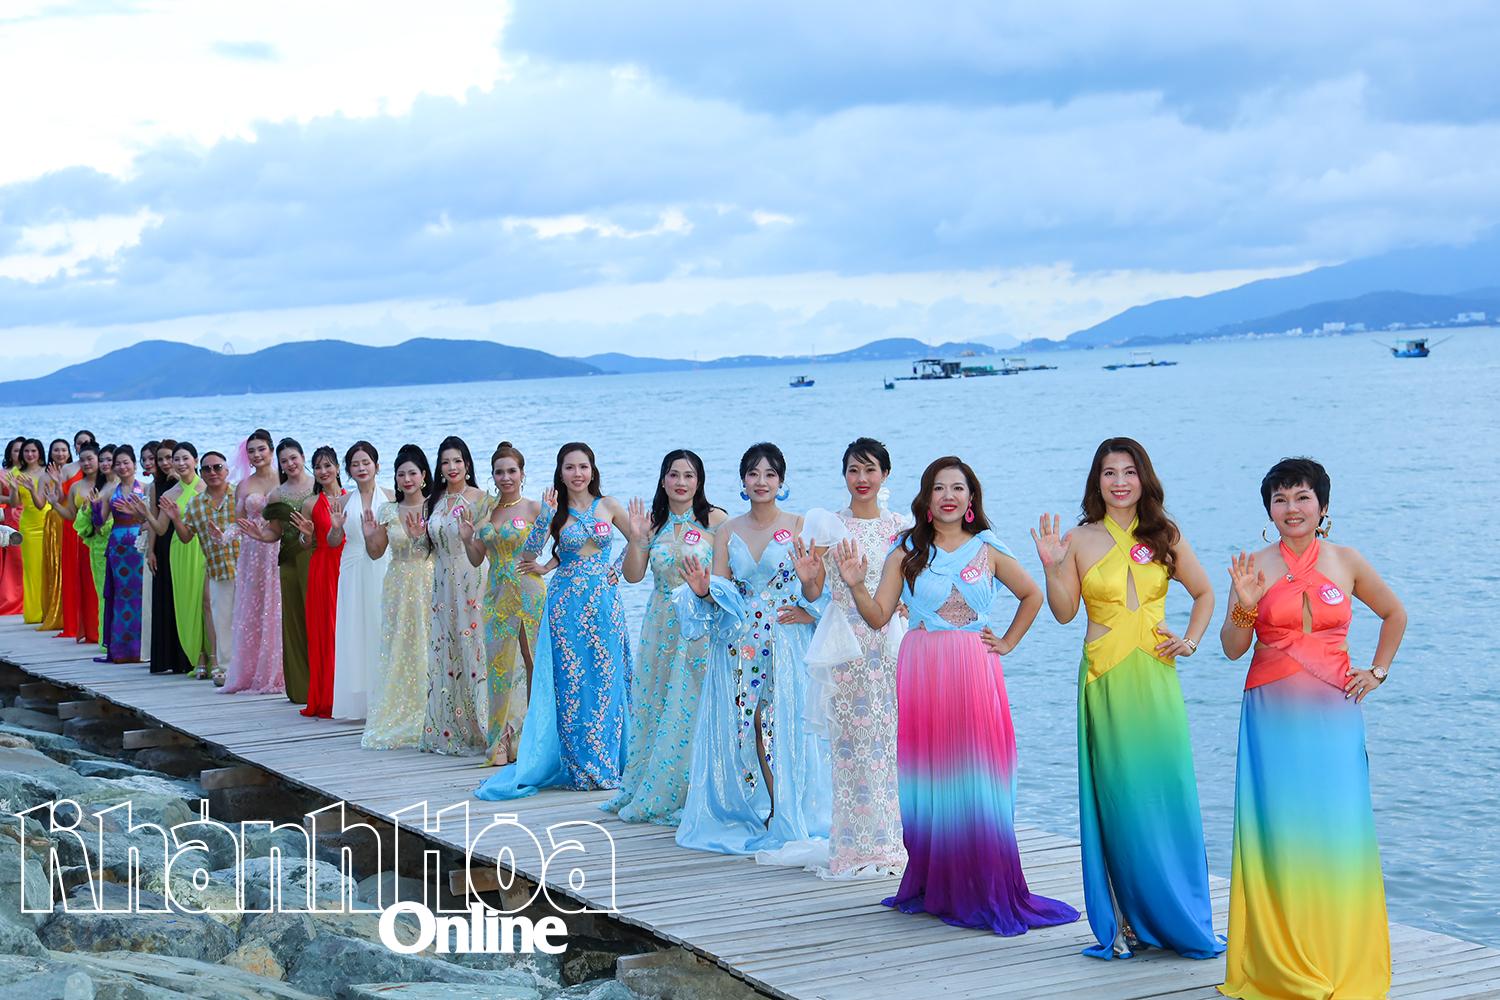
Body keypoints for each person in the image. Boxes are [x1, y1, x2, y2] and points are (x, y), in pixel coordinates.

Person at [834, 455, 1079, 936]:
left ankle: (984, 883)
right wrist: (854, 584)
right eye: (939, 487)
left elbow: (1032, 596)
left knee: (979, 774)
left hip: (974, 666)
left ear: (970, 500)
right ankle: (938, 880)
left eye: (958, 487)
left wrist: (1006, 642)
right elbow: (879, 616)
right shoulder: (904, 551)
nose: (949, 494)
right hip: (923, 666)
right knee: (932, 776)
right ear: (926, 500)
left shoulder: (988, 549)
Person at [1218, 458, 1406, 999]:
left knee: (1337, 830)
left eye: (1302, 497)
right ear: (1268, 511)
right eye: (1280, 500)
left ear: (1322, 506)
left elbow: (1395, 614)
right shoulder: (1251, 566)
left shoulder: (1346, 561)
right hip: (1270, 714)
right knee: (1278, 831)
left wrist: (1378, 672)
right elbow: (1232, 650)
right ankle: (1279, 959)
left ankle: (1340, 954)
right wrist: (1246, 609)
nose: (1292, 509)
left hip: (1334, 715)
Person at [1032, 437, 1221, 959]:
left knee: (1167, 792)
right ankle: (1126, 916)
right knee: (1120, 798)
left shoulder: (1166, 534)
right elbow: (1066, 612)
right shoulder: (1079, 538)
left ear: (1144, 478)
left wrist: (1191, 639)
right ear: (1097, 481)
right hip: (1105, 678)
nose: (1119, 481)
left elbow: (1205, 593)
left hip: (1158, 676)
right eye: (1109, 472)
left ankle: (1177, 909)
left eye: (1129, 471)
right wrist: (1053, 567)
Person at [670, 442, 830, 856]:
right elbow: (720, 590)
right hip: (739, 640)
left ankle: (787, 807)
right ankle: (759, 804)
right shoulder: (727, 530)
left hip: (785, 637)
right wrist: (704, 592)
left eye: (770, 474)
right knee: (749, 723)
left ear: (782, 481)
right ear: (743, 480)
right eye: (754, 474)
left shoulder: (799, 525)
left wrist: (809, 603)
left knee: (785, 722)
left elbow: (817, 589)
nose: (761, 482)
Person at [475, 441, 633, 797]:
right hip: (565, 605)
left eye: (583, 467)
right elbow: (530, 553)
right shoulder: (554, 509)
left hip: (604, 602)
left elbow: (639, 538)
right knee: (572, 683)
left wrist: (618, 569)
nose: (577, 474)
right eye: (569, 468)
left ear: (592, 470)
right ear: (560, 473)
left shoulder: (608, 506)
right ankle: (577, 763)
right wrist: (545, 522)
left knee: (606, 678)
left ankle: (608, 759)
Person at [800, 437, 910, 877]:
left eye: (870, 470)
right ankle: (852, 845)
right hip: (845, 645)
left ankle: (895, 839)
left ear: (885, 474)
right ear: (843, 474)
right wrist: (810, 580)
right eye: (853, 470)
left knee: (893, 744)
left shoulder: (900, 527)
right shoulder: (828, 526)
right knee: (849, 747)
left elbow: (914, 584)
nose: (862, 479)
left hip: (889, 645)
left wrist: (907, 605)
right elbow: (812, 592)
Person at [602, 449, 726, 824]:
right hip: (659, 624)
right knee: (656, 703)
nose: (681, 482)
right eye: (674, 475)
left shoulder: (717, 521)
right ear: (663, 480)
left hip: (700, 625)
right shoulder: (652, 524)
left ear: (699, 481)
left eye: (689, 475)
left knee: (692, 705)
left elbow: (729, 576)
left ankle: (698, 788)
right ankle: (651, 783)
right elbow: (634, 576)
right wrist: (638, 540)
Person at [464, 442, 545, 764]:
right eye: (500, 472)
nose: (506, 477)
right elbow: (475, 559)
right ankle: (501, 738)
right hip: (496, 592)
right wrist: (467, 538)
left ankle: (535, 736)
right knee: (499, 666)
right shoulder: (487, 512)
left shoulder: (535, 508)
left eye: (512, 471)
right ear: (493, 475)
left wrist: (547, 566)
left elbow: (565, 542)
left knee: (531, 659)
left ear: (522, 474)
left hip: (528, 590)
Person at [420, 436, 490, 754]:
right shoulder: (433, 500)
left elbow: (485, 545)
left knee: (473, 648)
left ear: (468, 464)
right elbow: (428, 547)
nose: (452, 467)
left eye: (458, 461)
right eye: (446, 462)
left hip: (471, 578)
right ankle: (449, 725)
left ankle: (483, 724)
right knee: (446, 649)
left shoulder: (480, 499)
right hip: (441, 582)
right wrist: (413, 535)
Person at [360, 444, 433, 749]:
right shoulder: (388, 510)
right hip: (398, 582)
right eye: (401, 474)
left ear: (424, 476)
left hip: (428, 580)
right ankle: (400, 711)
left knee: (429, 643)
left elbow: (439, 549)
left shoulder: (434, 506)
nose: (407, 479)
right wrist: (368, 534)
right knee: (400, 645)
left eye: (412, 473)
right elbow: (376, 553)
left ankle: (433, 712)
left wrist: (420, 538)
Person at [245, 438, 316, 701]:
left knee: (320, 620)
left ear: (303, 456)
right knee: (295, 623)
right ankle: (301, 687)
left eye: (294, 458)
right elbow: (274, 532)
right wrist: (258, 535)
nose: (290, 464)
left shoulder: (318, 485)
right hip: (288, 561)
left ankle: (327, 684)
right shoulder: (276, 494)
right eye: (284, 461)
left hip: (317, 558)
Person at [329, 441, 390, 720]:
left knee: (381, 625)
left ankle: (386, 696)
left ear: (377, 465)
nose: (361, 468)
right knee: (355, 629)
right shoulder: (342, 501)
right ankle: (359, 700)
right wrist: (335, 528)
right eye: (355, 464)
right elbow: (332, 542)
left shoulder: (390, 497)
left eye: (366, 462)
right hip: (353, 566)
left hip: (383, 565)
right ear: (349, 470)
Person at [225, 429, 285, 694]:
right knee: (255, 606)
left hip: (280, 546)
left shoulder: (285, 479)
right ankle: (252, 671)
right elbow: (238, 523)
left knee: (279, 605)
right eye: (251, 451)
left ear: (271, 451)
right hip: (253, 551)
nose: (257, 455)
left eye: (261, 449)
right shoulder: (244, 486)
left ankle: (282, 669)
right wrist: (224, 536)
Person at [176, 450, 239, 684]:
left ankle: (250, 667)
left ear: (226, 470)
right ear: (201, 472)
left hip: (245, 567)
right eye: (206, 469)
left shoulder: (238, 496)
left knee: (246, 620)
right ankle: (225, 668)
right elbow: (185, 536)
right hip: (217, 570)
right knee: (221, 621)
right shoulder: (195, 504)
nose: (212, 473)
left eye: (217, 467)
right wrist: (174, 517)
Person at [131, 438, 192, 674]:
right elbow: (154, 520)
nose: (166, 463)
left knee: (182, 598)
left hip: (186, 539)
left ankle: (185, 655)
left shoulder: (185, 483)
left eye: (170, 458)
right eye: (162, 459)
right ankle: (167, 657)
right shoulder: (158, 485)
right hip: (164, 541)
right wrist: (151, 551)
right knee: (164, 597)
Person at [292, 446, 345, 718]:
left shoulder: (354, 497)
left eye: (328, 466)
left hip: (350, 566)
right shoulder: (311, 504)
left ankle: (351, 694)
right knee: (327, 632)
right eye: (319, 467)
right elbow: (305, 545)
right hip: (324, 568)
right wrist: (306, 535)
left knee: (349, 631)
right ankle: (327, 696)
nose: (324, 472)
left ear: (338, 467)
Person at [45, 443, 103, 646]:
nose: (87, 463)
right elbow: (70, 514)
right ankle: (92, 631)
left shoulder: (108, 484)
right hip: (83, 541)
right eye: (83, 459)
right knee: (87, 586)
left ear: (99, 460)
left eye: (91, 459)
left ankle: (105, 630)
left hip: (104, 540)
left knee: (102, 587)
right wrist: (54, 503)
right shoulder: (76, 487)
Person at [160, 442, 208, 673]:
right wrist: (145, 514)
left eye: (185, 458)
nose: (180, 463)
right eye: (176, 459)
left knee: (207, 602)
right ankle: (197, 657)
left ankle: (216, 657)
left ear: (196, 461)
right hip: (180, 550)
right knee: (187, 603)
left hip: (204, 547)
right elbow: (160, 529)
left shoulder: (207, 487)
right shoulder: (170, 494)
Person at [98, 446, 147, 663]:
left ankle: (142, 648)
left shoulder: (145, 488)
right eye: (118, 463)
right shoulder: (109, 491)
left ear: (134, 465)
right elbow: (99, 524)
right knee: (121, 596)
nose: (122, 467)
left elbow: (149, 520)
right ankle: (121, 649)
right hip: (118, 547)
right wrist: (94, 507)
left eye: (126, 462)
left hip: (139, 544)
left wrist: (136, 514)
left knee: (142, 594)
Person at [12, 439, 51, 624]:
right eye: (26, 451)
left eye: (33, 451)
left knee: (50, 567)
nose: (30, 454)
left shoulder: (47, 472)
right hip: (28, 524)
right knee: (31, 569)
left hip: (47, 521)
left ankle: (51, 610)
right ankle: (34, 613)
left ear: (40, 452)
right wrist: (13, 489)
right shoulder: (16, 473)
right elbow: (14, 503)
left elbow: (44, 501)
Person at [0, 437, 26, 616]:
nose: (21, 453)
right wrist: (11, 499)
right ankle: (12, 599)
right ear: (10, 452)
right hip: (12, 516)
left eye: (24, 450)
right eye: (16, 450)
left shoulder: (32, 472)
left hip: (32, 516)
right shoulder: (3, 473)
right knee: (15, 560)